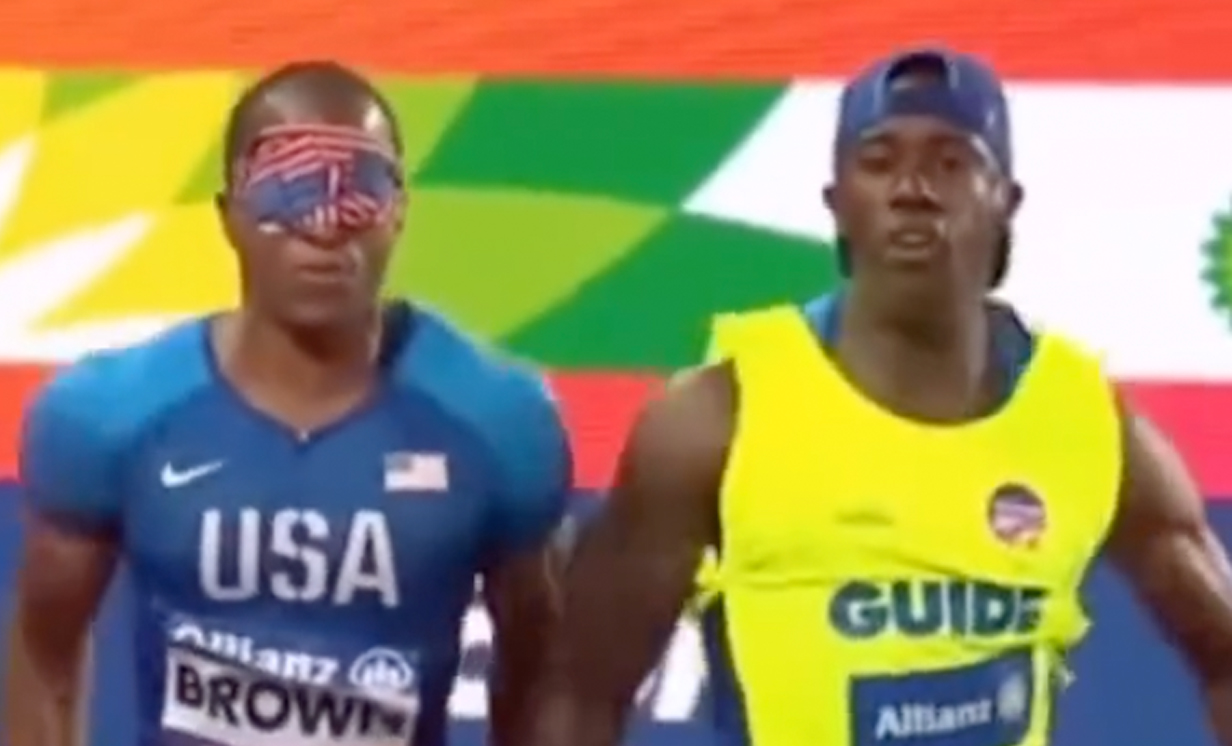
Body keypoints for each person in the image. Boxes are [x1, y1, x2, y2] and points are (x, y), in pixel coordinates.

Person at [527, 47, 1232, 746]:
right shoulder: (716, 419)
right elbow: (581, 693)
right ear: (837, 204)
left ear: (1007, 203)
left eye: (951, 161)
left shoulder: (1085, 423)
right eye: (878, 160)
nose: (912, 188)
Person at [4, 61, 570, 746]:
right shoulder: (105, 417)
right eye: (287, 191)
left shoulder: (499, 424)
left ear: (398, 212)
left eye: (358, 191)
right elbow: (43, 658)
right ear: (229, 217)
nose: (323, 227)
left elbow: (540, 677)